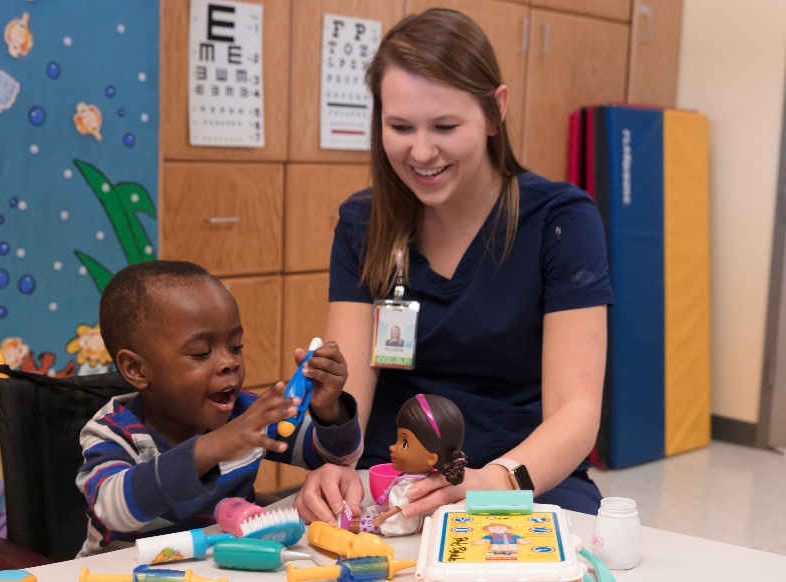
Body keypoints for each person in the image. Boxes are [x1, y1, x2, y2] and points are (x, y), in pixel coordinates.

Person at [293, 7, 612, 526]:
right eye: (399, 126)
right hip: (393, 478)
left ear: (494, 112)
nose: (421, 151)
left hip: (524, 474)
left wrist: (490, 484)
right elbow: (348, 396)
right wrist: (337, 466)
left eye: (445, 125)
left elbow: (576, 414)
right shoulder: (363, 223)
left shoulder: (560, 221)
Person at [75, 260, 362, 556]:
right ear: (137, 368)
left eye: (236, 346)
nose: (230, 362)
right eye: (201, 352)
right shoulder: (112, 432)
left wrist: (329, 408)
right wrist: (212, 447)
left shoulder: (244, 415)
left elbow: (335, 457)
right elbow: (112, 508)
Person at [344, 393, 466, 536]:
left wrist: (384, 516)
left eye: (404, 443)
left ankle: (344, 527)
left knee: (369, 525)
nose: (392, 447)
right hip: (394, 516)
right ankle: (348, 523)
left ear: (431, 459)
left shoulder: (414, 486)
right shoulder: (410, 479)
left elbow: (400, 507)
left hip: (400, 523)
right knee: (369, 516)